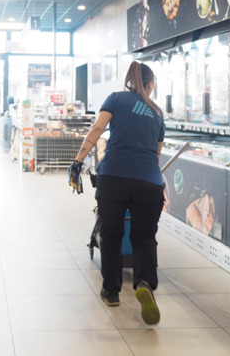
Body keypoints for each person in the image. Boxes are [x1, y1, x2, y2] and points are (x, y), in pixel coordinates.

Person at [70, 61, 165, 325]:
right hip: (149, 181)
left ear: (130, 81)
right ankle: (144, 281)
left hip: (113, 177)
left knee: (111, 233)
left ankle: (111, 290)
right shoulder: (157, 112)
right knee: (145, 237)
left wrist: (78, 161)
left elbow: (97, 129)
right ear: (150, 83)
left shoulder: (115, 99)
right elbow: (156, 154)